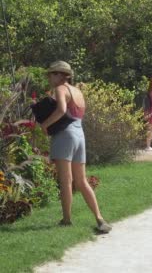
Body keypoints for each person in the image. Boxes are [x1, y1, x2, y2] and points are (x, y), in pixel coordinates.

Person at [40, 61, 112, 233]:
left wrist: (45, 124)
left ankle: (66, 220)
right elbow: (76, 114)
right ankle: (100, 218)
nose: (49, 78)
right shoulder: (78, 91)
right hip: (80, 135)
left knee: (66, 181)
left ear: (59, 75)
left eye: (51, 74)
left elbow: (61, 110)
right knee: (81, 181)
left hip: (65, 135)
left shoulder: (60, 89)